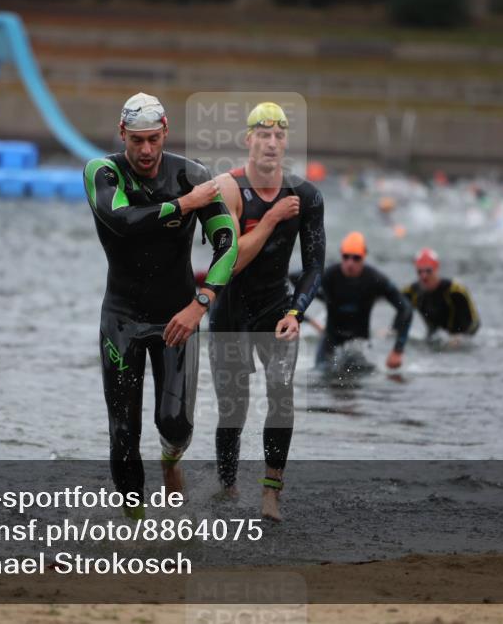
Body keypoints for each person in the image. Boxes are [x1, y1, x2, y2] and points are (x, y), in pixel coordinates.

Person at [83, 93, 238, 517]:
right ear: (122, 135)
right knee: (123, 432)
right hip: (122, 319)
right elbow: (122, 221)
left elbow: (228, 244)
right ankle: (135, 525)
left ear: (166, 131)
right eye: (137, 141)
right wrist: (184, 205)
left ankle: (171, 459)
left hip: (179, 318)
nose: (146, 151)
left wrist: (201, 303)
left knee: (175, 424)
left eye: (153, 139)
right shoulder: (103, 171)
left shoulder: (191, 174)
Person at [210, 102, 326, 522]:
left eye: (279, 136)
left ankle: (271, 493)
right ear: (248, 140)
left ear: (286, 142)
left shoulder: (307, 196)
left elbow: (315, 266)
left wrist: (296, 312)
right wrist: (274, 217)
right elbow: (231, 263)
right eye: (264, 135)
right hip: (229, 312)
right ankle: (227, 487)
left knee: (281, 397)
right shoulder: (227, 188)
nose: (272, 143)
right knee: (233, 408)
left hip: (277, 308)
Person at [313, 231, 412, 370]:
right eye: (346, 257)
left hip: (359, 345)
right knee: (321, 379)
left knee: (363, 385)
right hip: (330, 342)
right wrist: (321, 299)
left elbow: (405, 308)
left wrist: (398, 350)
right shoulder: (329, 274)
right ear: (341, 255)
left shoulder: (374, 279)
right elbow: (295, 278)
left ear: (364, 256)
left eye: (356, 258)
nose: (350, 263)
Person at [402, 248, 480, 340]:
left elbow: (472, 323)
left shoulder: (455, 291)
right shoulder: (411, 291)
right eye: (420, 271)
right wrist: (394, 329)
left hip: (465, 334)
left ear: (436, 269)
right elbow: (401, 311)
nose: (424, 276)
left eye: (428, 271)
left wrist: (460, 337)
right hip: (435, 335)